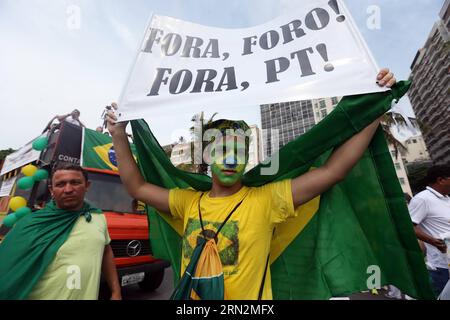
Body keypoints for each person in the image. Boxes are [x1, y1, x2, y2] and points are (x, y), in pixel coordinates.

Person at [106, 69, 396, 299]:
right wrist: (118, 134)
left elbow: (333, 171)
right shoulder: (187, 201)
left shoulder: (267, 200)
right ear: (207, 155)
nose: (231, 160)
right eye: (221, 151)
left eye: (239, 152)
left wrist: (374, 108)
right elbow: (137, 188)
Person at [0, 164, 121, 300]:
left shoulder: (98, 217)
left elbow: (106, 251)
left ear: (87, 186)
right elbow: (6, 267)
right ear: (51, 189)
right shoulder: (32, 224)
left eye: (75, 182)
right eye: (60, 184)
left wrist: (116, 291)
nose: (68, 189)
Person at [408, 165, 450, 297]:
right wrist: (433, 241)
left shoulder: (447, 198)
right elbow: (409, 226)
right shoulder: (422, 199)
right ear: (441, 180)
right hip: (442, 266)